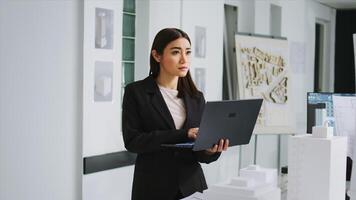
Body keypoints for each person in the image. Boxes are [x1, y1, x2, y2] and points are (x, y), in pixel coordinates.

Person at [122, 28, 229, 200]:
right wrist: (183, 134)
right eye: (175, 52)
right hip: (153, 188)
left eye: (187, 52)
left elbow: (199, 153)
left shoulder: (196, 97)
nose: (184, 59)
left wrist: (210, 150)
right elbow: (133, 141)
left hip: (192, 188)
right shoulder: (137, 92)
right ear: (157, 56)